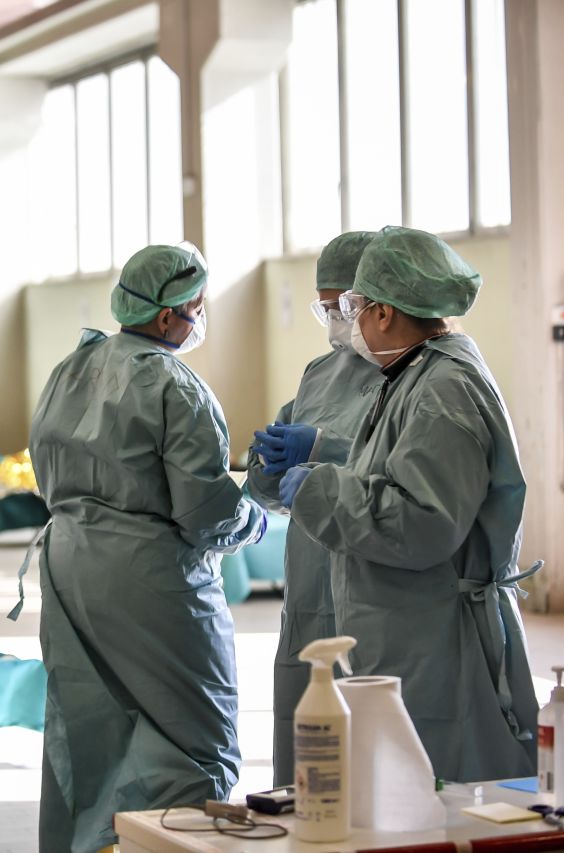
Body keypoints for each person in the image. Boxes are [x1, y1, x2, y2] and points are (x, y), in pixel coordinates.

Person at [276, 226, 540, 782]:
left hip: (437, 638)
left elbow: (422, 524)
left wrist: (319, 488)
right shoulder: (415, 375)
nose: (349, 321)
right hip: (410, 628)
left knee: (437, 794)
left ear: (385, 313)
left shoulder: (443, 388)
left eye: (354, 306)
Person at [27, 243, 267, 853]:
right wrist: (258, 515)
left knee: (92, 727)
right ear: (167, 318)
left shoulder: (73, 367)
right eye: (196, 307)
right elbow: (205, 512)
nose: (199, 318)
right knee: (194, 734)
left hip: (70, 566)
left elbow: (44, 466)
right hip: (148, 577)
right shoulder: (173, 385)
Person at [244, 232, 384, 786]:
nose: (334, 318)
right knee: (306, 742)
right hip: (308, 578)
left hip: (374, 574)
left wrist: (323, 449)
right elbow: (273, 486)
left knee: (370, 736)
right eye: (324, 306)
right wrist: (265, 466)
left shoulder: (410, 374)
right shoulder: (318, 374)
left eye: (344, 305)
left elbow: (398, 468)